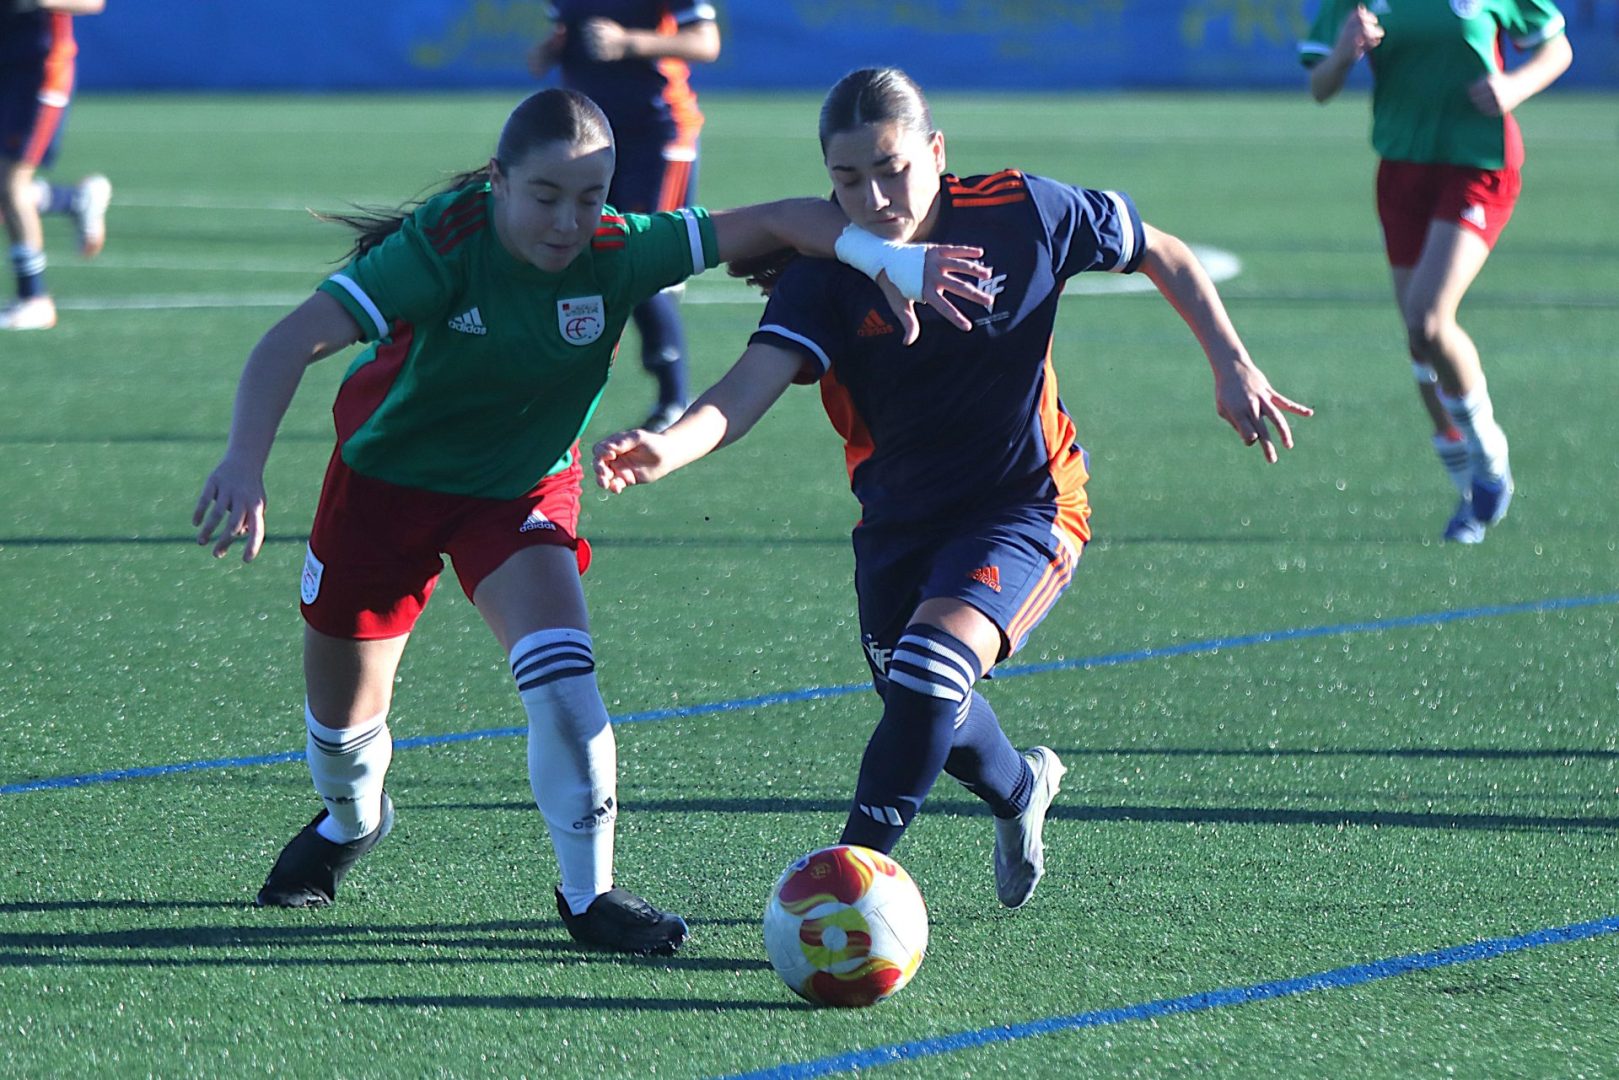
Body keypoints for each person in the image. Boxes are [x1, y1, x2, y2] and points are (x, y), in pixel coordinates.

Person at [191, 88, 990, 957]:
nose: (570, 220)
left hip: (520, 494)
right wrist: (242, 462)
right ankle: (354, 819)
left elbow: (785, 217)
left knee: (566, 689)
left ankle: (589, 895)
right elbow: (288, 342)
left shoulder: (620, 248)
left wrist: (893, 262)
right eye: (545, 196)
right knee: (345, 742)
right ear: (499, 182)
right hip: (383, 493)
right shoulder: (440, 248)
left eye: (591, 195)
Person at [592, 68, 1311, 910]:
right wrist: (666, 447)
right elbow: (746, 387)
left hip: (1028, 505)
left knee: (931, 674)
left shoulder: (1023, 214)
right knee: (922, 701)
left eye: (892, 167)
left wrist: (1230, 363)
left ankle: (843, 888)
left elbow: (1159, 249)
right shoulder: (825, 276)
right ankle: (1018, 788)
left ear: (937, 152)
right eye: (846, 179)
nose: (873, 196)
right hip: (897, 523)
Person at [1300, 2, 1571, 543]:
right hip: (1402, 168)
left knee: (1428, 319)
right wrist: (1345, 51)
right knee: (1419, 343)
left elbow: (1556, 47)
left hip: (1478, 163)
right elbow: (1320, 85)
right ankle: (1470, 484)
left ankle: (1491, 461)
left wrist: (1514, 87)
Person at [528, 1, 721, 432]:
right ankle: (551, 388)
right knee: (572, 255)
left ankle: (674, 397)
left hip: (657, 132)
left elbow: (706, 43)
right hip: (588, 138)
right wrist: (549, 51)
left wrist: (628, 42)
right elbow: (560, 40)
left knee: (645, 257)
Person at [0, 0, 112, 331]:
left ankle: (34, 299)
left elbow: (92, 3)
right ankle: (72, 199)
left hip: (39, 70)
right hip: (6, 65)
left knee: (11, 182)